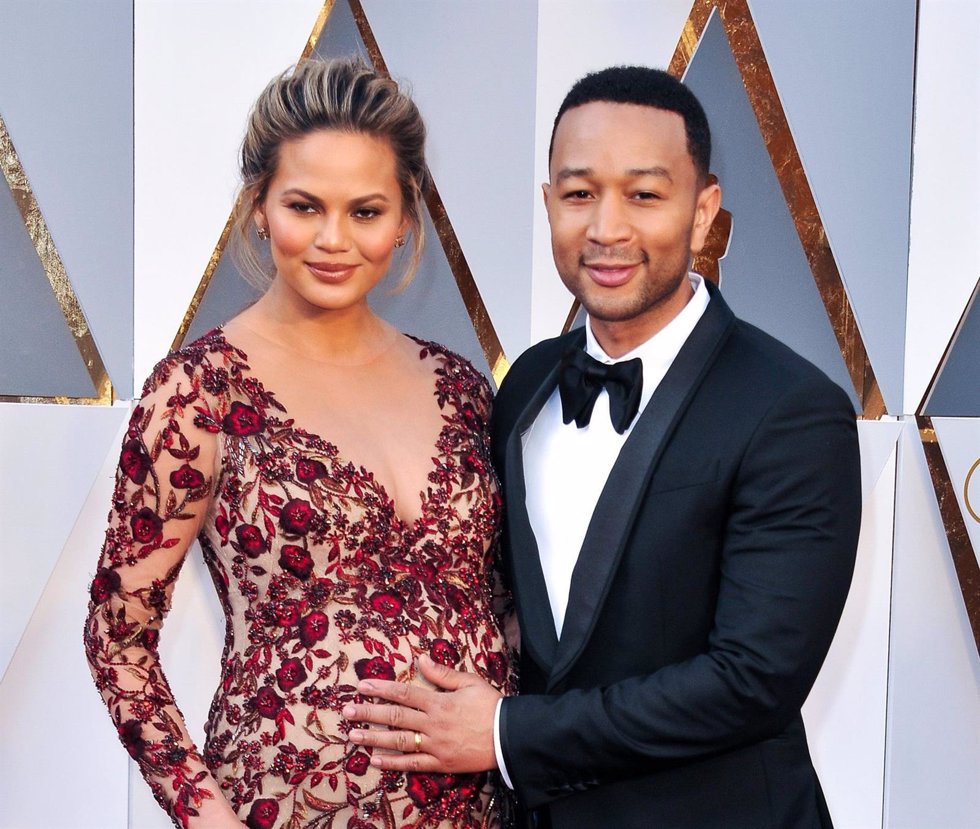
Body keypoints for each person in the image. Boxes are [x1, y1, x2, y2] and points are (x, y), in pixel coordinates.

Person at [341, 65, 862, 828]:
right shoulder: (522, 390)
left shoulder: (792, 409)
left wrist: (502, 732)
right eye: (580, 193)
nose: (607, 228)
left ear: (704, 210)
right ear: (548, 204)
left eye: (645, 194)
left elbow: (752, 680)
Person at [84, 57, 515, 829]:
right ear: (258, 206)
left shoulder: (462, 386)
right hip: (280, 807)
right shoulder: (198, 391)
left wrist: (509, 730)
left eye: (365, 211)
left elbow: (505, 607)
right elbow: (118, 644)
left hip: (482, 810)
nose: (332, 240)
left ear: (405, 219)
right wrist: (209, 820)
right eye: (304, 205)